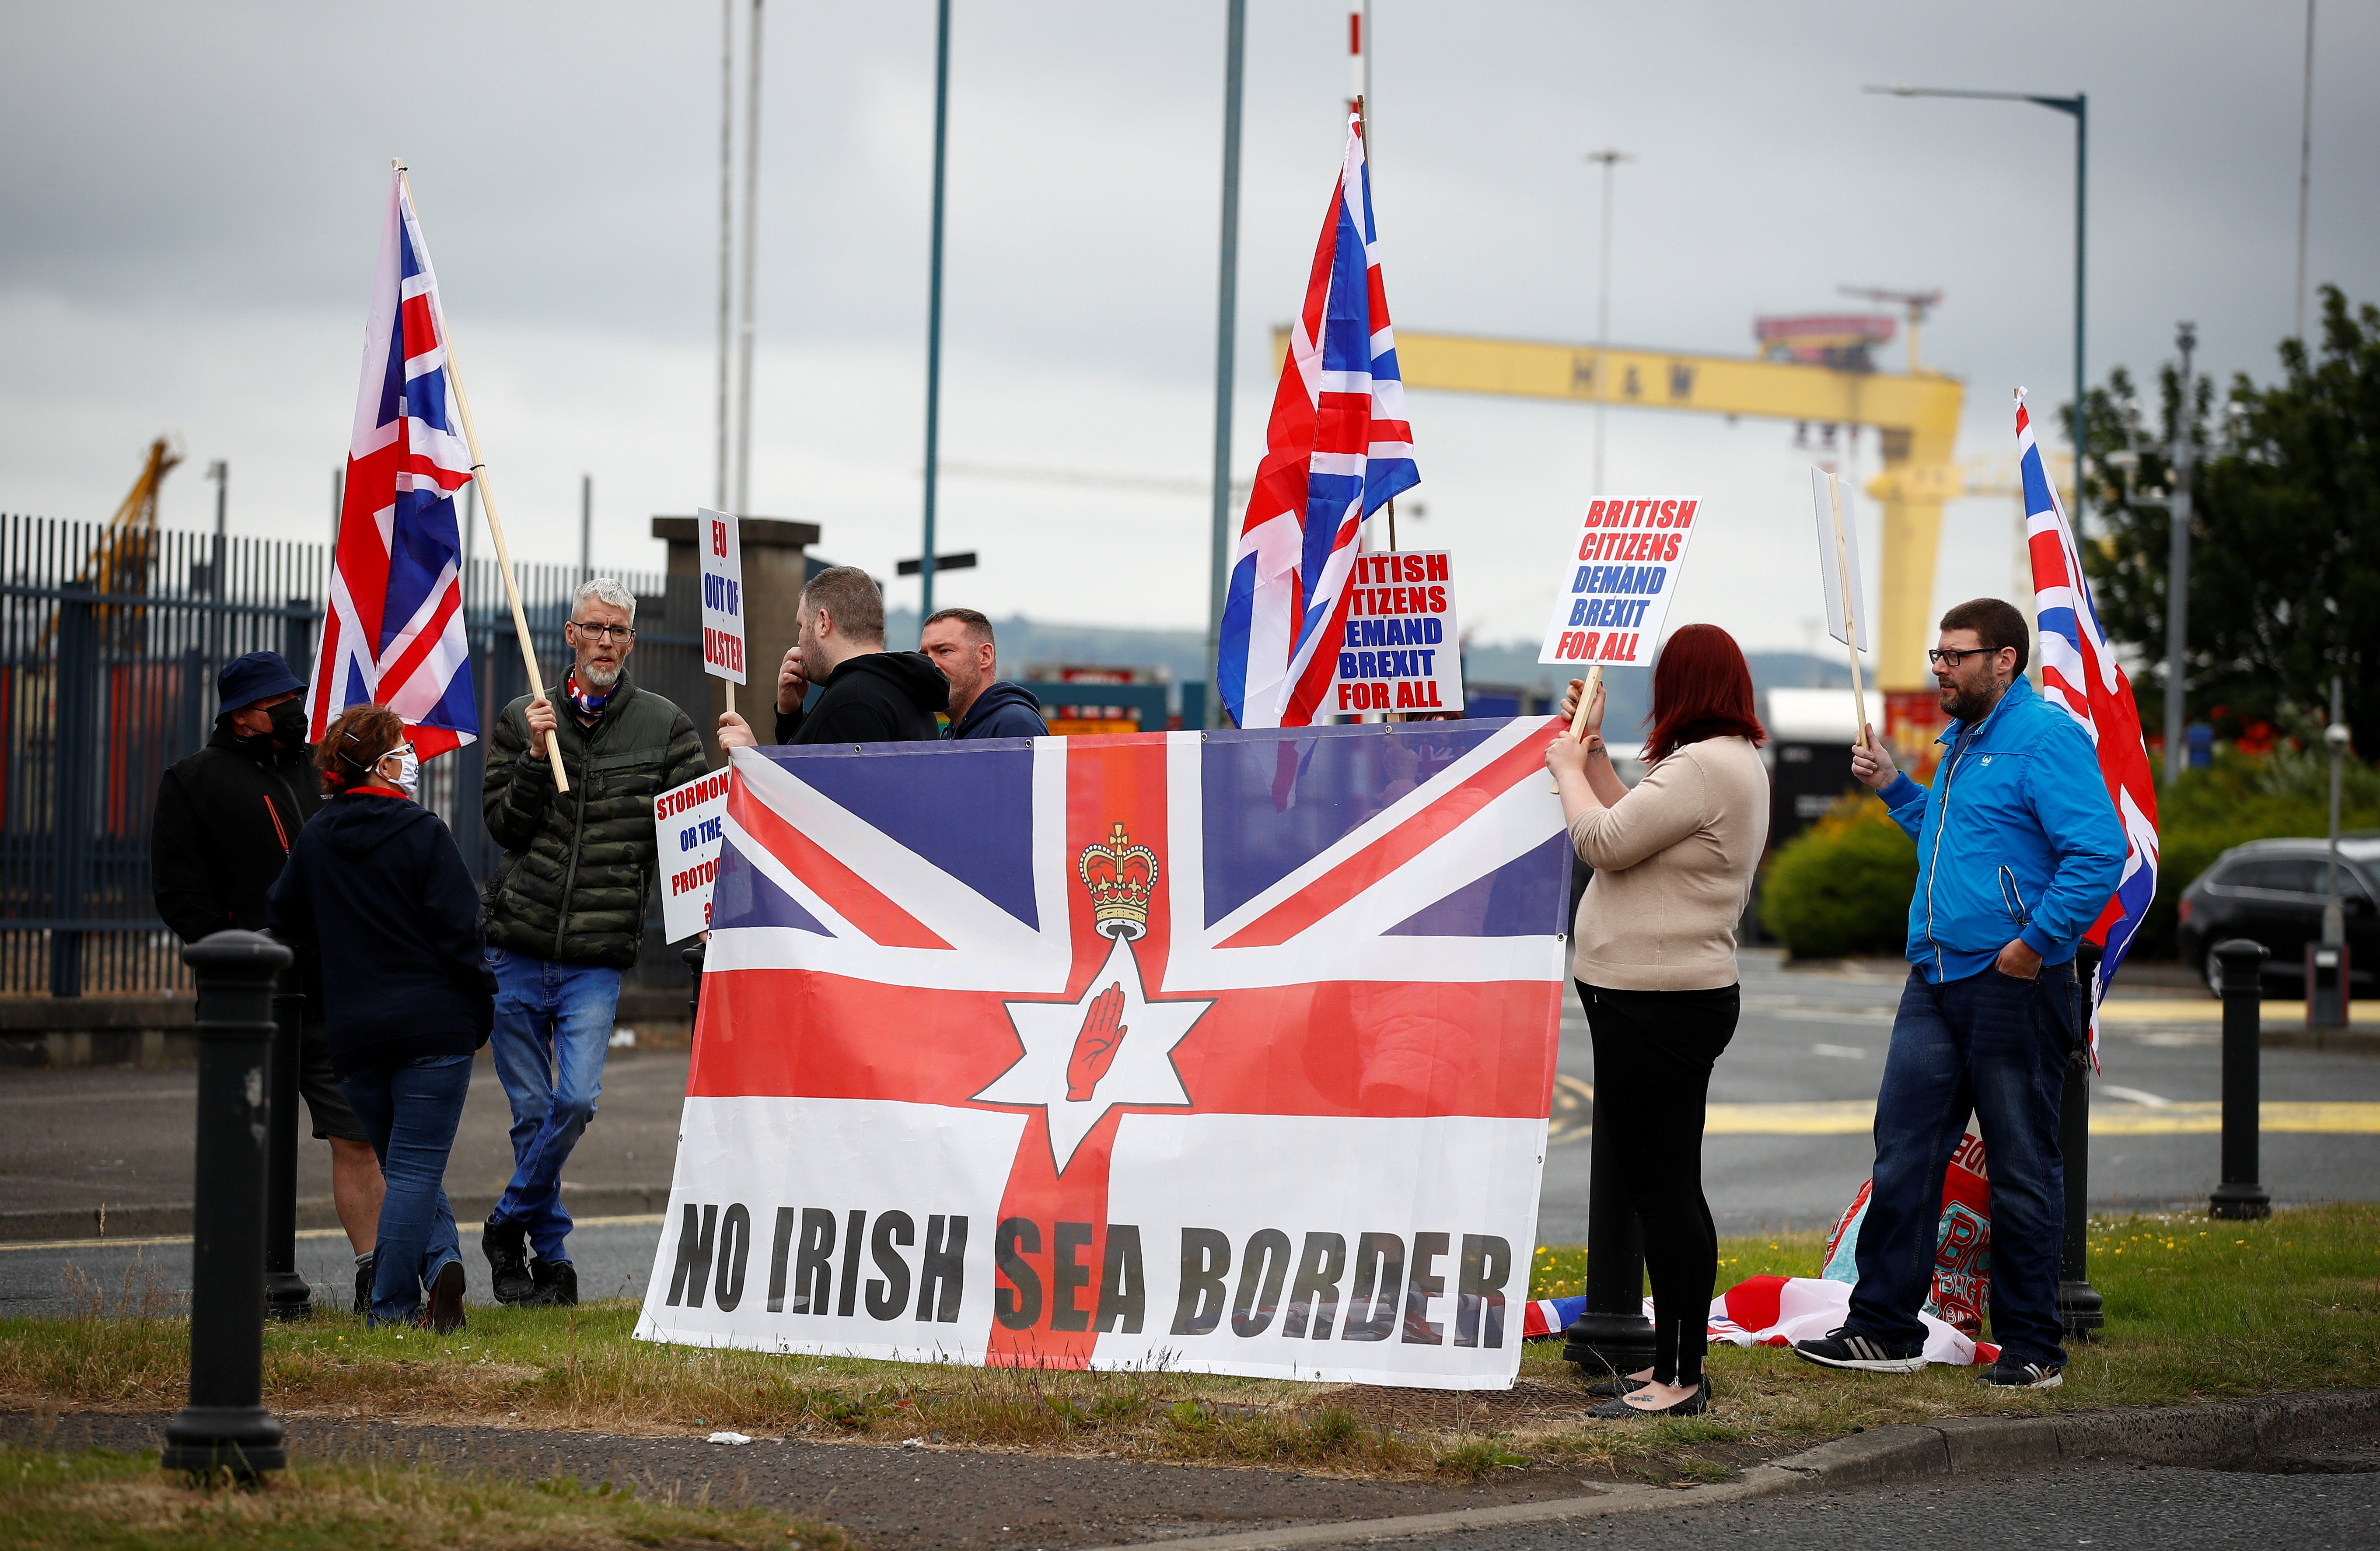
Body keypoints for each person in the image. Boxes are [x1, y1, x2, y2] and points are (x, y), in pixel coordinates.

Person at [1794, 599, 2125, 1390]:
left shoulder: (2043, 738)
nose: (1939, 666)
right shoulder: (1965, 744)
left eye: (1956, 655)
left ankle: (2032, 1346)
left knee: (2020, 1165)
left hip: (2010, 981)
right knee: (1906, 1151)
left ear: (2004, 660)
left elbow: (2099, 850)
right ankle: (1882, 1329)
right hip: (1936, 976)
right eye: (1936, 653)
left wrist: (2033, 945)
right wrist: (1897, 790)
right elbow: (1954, 849)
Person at [1545, 624, 1770, 1418]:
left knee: (1665, 1190)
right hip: (1662, 996)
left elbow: (1601, 840)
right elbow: (1636, 825)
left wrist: (1567, 768)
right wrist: (1598, 756)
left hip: (1659, 1000)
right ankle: (1675, 1365)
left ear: (1684, 687)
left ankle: (1678, 1378)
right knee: (1664, 1184)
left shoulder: (1705, 764)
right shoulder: (1722, 763)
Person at [480, 578, 707, 1306]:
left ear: (631, 642)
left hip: (595, 957)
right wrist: (531, 757)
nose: (607, 641)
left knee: (573, 1102)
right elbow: (504, 829)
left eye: (619, 631)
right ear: (571, 635)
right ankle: (547, 1260)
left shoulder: (666, 727)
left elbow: (697, 828)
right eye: (594, 628)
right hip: (517, 946)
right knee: (529, 1114)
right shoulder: (523, 718)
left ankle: (506, 1223)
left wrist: (741, 761)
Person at [151, 650, 386, 1313]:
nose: (295, 709)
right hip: (247, 1002)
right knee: (245, 1144)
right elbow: (179, 897)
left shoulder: (319, 772)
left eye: (297, 696)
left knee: (358, 1137)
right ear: (244, 713)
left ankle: (376, 1274)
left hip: (331, 994)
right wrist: (240, 955)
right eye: (280, 700)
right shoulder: (193, 779)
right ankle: (247, 1278)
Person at [266, 704, 492, 1332]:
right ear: (377, 764)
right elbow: (461, 937)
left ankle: (444, 1261)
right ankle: (392, 1310)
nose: (410, 759)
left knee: (404, 1164)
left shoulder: (316, 837)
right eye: (400, 748)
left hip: (357, 1034)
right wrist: (481, 1010)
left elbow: (280, 916)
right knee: (415, 1168)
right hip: (433, 1026)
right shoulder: (424, 833)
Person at [715, 565, 947, 750]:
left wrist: (750, 759)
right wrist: (790, 717)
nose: (799, 639)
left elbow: (818, 803)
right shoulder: (901, 686)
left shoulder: (854, 700)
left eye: (802, 625)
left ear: (823, 623)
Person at [919, 607, 1048, 739]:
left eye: (944, 651)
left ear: (985, 656)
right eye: (924, 655)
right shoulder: (952, 734)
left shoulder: (1015, 724)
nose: (930, 664)